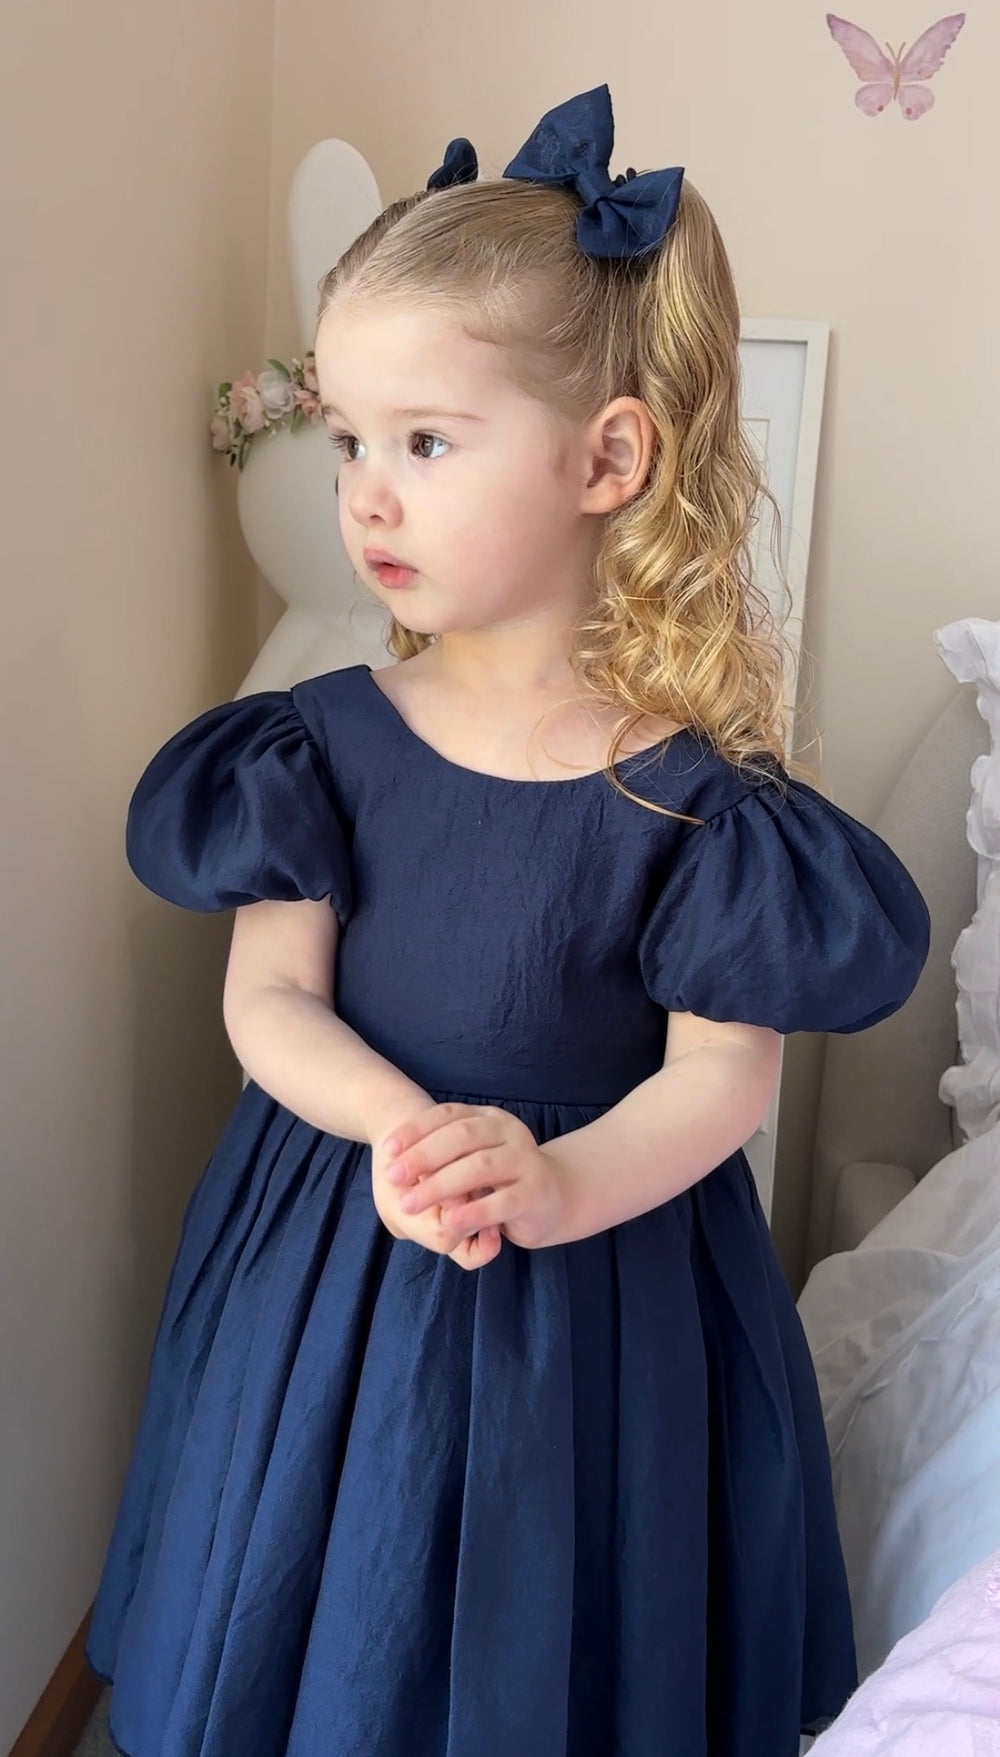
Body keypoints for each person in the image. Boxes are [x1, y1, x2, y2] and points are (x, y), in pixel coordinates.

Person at [85, 84, 930, 1757]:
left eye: (425, 442)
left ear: (607, 457)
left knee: (555, 1634)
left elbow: (720, 1082)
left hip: (599, 1289)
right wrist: (408, 1131)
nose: (368, 497)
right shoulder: (315, 745)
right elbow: (270, 1003)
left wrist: (552, 1180)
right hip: (341, 1247)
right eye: (348, 443)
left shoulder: (701, 796)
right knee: (325, 1596)